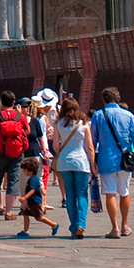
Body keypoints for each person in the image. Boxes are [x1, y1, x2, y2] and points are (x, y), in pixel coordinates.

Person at [90, 87, 134, 239]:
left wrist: (92, 162)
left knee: (110, 192)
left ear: (103, 99)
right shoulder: (128, 115)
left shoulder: (98, 116)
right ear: (117, 99)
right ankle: (125, 225)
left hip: (106, 159)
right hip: (125, 160)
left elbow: (93, 141)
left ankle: (115, 228)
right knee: (124, 191)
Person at [49, 97, 96, 238]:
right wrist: (93, 166)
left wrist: (63, 153)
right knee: (82, 194)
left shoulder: (58, 124)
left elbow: (56, 146)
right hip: (81, 162)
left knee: (70, 195)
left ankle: (74, 226)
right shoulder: (84, 124)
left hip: (65, 162)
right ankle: (81, 224)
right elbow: (90, 147)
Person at [0, 91, 27, 221]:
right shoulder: (20, 116)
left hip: (0, 152)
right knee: (13, 181)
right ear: (14, 102)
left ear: (1, 101)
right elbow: (27, 131)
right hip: (17, 153)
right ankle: (8, 212)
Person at [16, 156, 59, 237]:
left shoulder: (32, 180)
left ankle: (53, 224)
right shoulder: (34, 179)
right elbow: (39, 187)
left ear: (30, 171)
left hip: (35, 202)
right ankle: (25, 231)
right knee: (26, 215)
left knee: (38, 217)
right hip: (31, 202)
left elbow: (32, 190)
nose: (23, 171)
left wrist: (25, 197)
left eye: (24, 170)